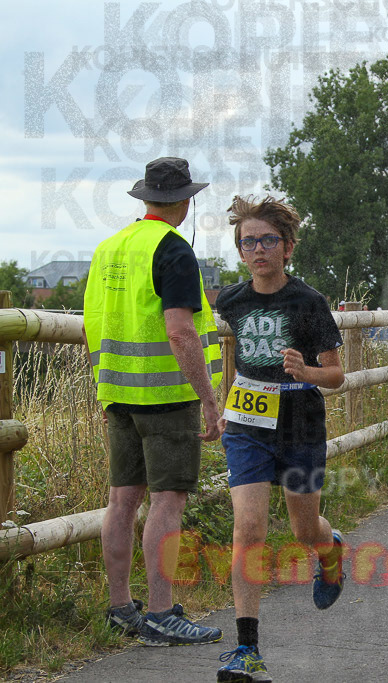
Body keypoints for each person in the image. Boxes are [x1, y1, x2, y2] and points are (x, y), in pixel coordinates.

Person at [83, 157, 224, 646]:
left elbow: (93, 324)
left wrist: (105, 385)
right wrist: (209, 399)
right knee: (168, 501)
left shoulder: (108, 249)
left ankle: (121, 607)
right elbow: (181, 331)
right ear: (185, 201)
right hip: (167, 396)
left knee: (121, 501)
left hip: (118, 393)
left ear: (146, 198)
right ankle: (162, 613)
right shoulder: (173, 250)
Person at [214, 196, 346, 682]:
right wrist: (223, 404)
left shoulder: (308, 303)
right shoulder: (231, 300)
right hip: (249, 427)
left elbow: (337, 376)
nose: (258, 249)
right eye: (248, 241)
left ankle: (329, 549)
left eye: (268, 240)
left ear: (287, 247)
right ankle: (246, 648)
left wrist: (304, 369)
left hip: (300, 427)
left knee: (302, 531)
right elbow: (225, 352)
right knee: (248, 531)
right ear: (240, 250)